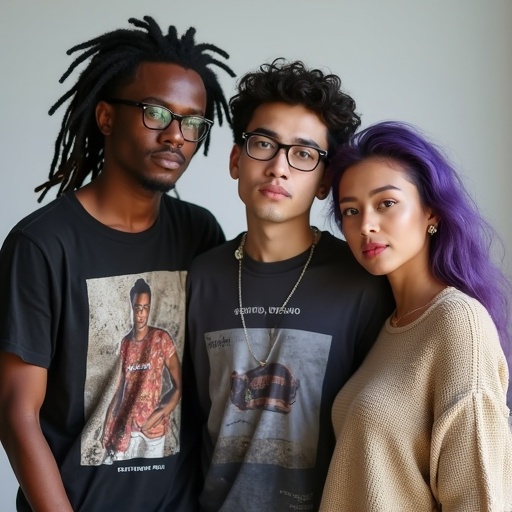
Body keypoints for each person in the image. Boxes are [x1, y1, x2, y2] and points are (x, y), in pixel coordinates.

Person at [0, 15, 235, 512]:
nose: (177, 135)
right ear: (106, 117)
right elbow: (16, 411)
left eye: (193, 122)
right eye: (157, 113)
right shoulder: (42, 244)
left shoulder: (199, 234)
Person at [186, 59, 394, 512]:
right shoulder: (201, 276)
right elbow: (195, 421)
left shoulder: (361, 282)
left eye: (303, 154)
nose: (279, 167)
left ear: (324, 182)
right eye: (264, 144)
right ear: (236, 160)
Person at [319, 121, 512, 511]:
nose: (366, 226)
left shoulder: (459, 323)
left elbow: (479, 499)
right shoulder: (388, 324)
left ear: (431, 212)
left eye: (386, 203)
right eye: (350, 211)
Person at [102, 278, 181, 463]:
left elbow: (179, 387)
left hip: (152, 431)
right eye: (138, 307)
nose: (141, 314)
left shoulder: (161, 339)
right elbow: (119, 389)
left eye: (146, 308)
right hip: (126, 428)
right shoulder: (125, 343)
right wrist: (108, 425)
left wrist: (158, 415)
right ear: (132, 306)